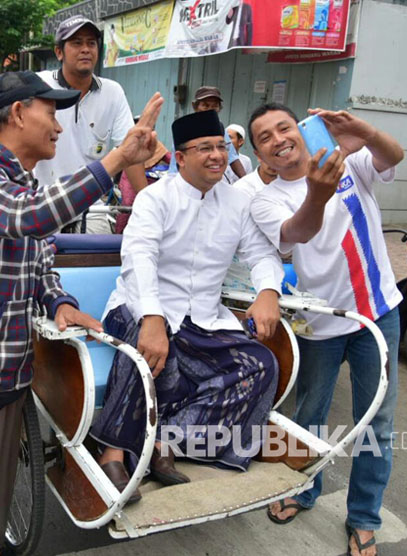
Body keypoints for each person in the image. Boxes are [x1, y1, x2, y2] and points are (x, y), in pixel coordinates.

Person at [0, 70, 164, 556]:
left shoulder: (22, 179)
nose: (59, 126)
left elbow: (41, 255)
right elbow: (27, 219)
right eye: (51, 112)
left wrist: (60, 301)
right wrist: (118, 159)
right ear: (18, 113)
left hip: (7, 372)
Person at [90, 110, 283, 500]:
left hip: (203, 320)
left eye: (220, 147)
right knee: (146, 345)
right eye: (205, 148)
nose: (216, 155)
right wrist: (153, 317)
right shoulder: (154, 199)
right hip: (138, 306)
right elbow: (138, 257)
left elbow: (262, 255)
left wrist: (268, 292)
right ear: (180, 157)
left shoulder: (238, 203)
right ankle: (112, 450)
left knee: (260, 366)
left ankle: (167, 442)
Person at [248, 103, 404, 556]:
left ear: (300, 130)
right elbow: (298, 231)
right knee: (308, 415)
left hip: (380, 315)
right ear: (260, 153)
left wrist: (363, 130)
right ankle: (301, 489)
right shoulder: (267, 197)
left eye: (284, 128)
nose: (279, 139)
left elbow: (392, 157)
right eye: (265, 137)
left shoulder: (348, 160)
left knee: (377, 423)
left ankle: (363, 517)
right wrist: (318, 192)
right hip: (321, 324)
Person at [33, 15, 148, 234]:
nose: (85, 49)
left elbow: (129, 152)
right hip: (43, 201)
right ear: (59, 52)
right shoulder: (40, 85)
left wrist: (146, 203)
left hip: (92, 206)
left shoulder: (112, 92)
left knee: (100, 259)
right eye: (77, 43)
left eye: (91, 43)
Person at [193, 86, 246, 182]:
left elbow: (233, 158)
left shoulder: (219, 127)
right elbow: (175, 167)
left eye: (214, 106)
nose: (210, 110)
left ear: (219, 108)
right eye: (205, 105)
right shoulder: (186, 128)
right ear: (195, 107)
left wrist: (247, 182)